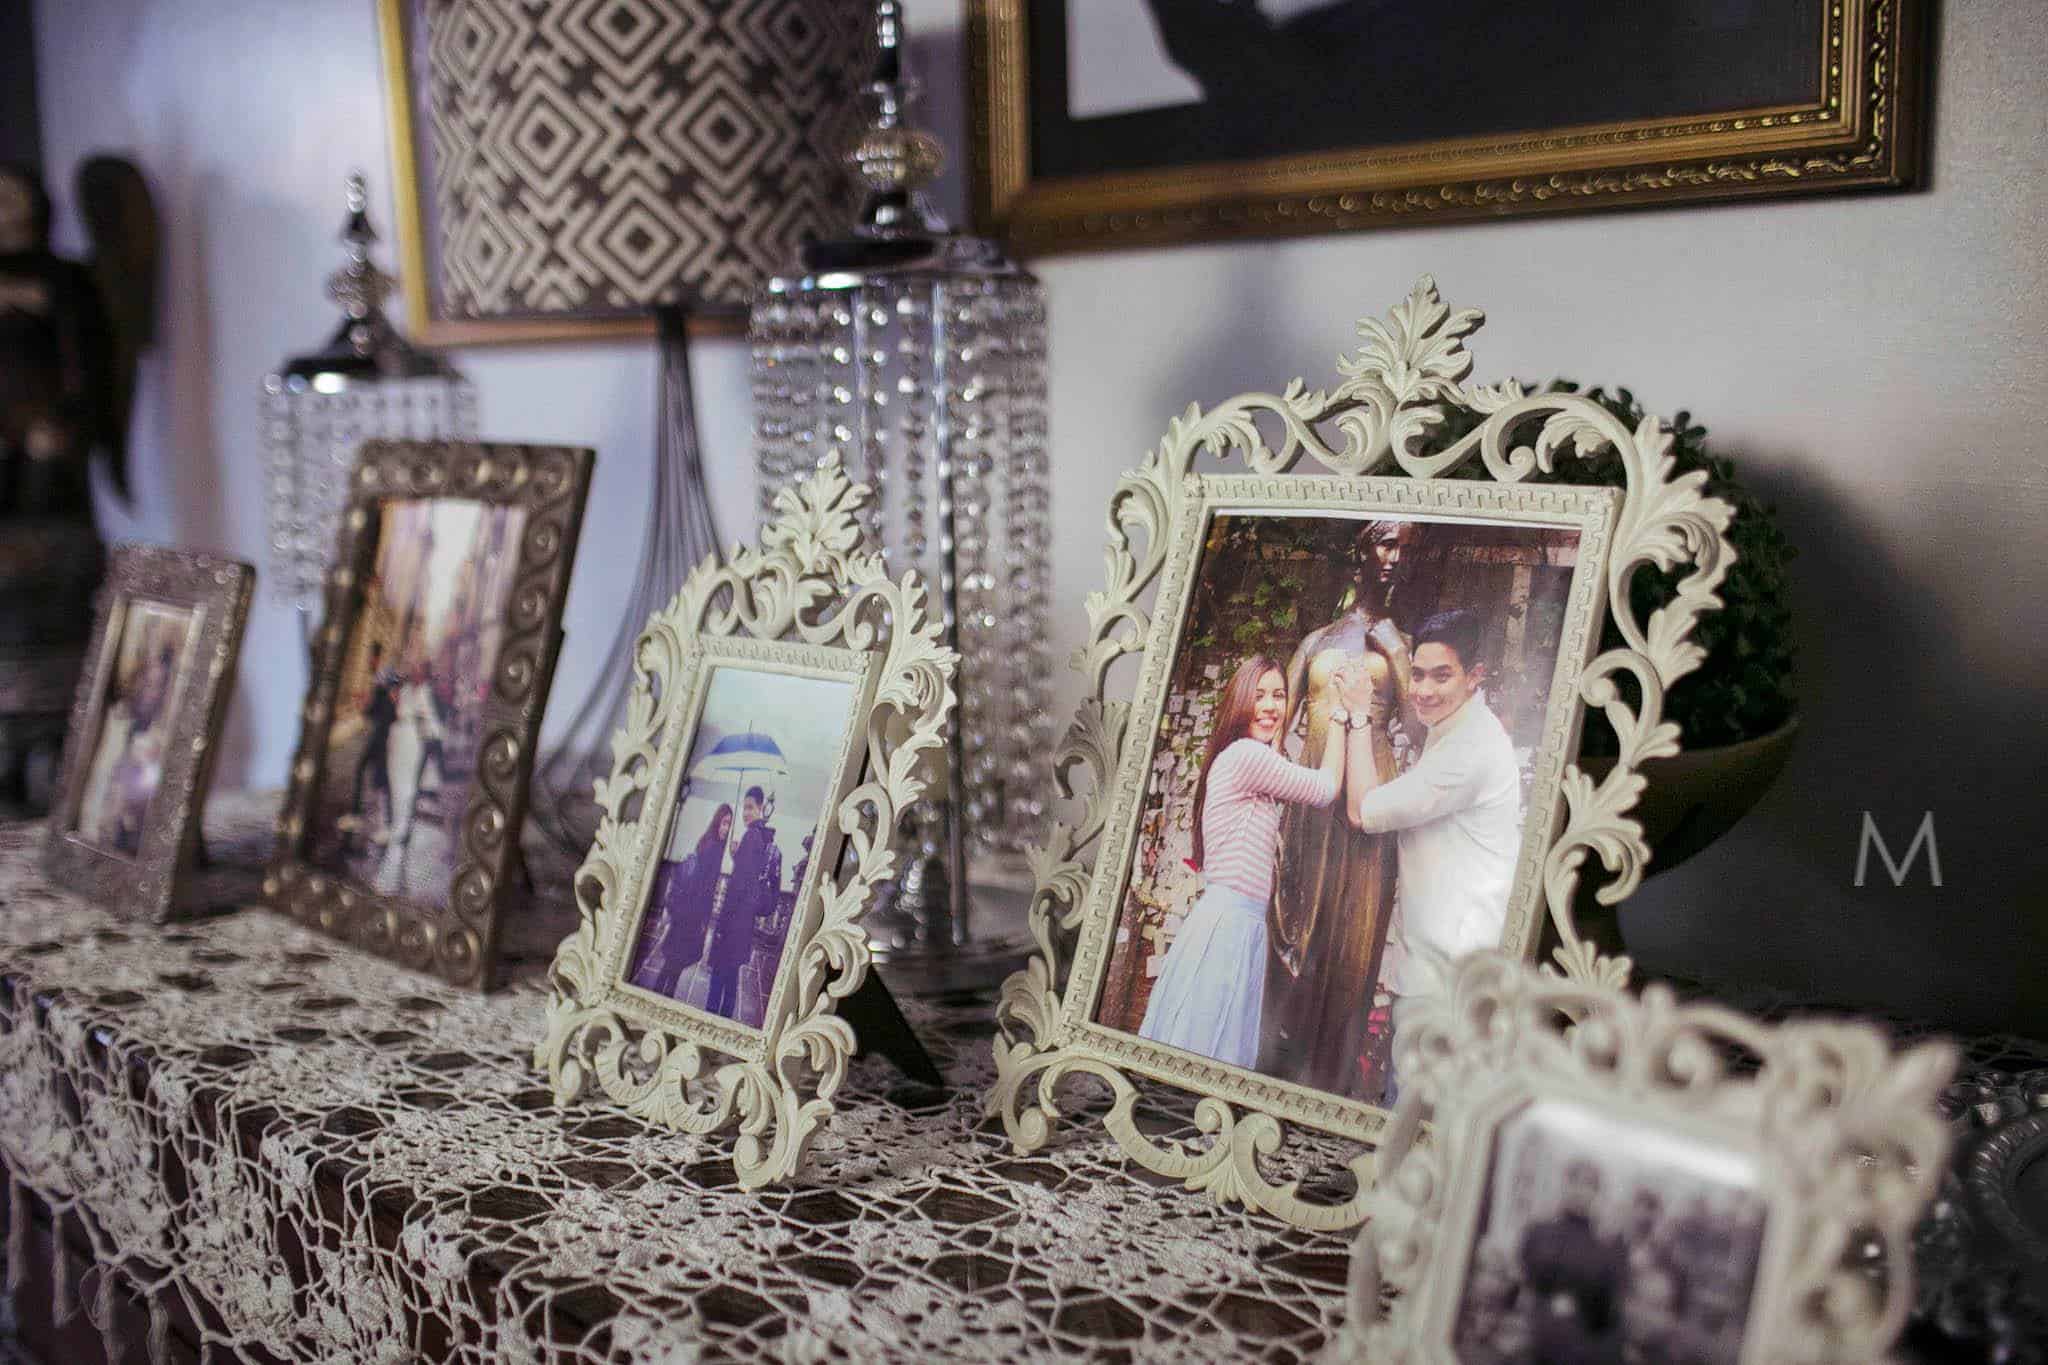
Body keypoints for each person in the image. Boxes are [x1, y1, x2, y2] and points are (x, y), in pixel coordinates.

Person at [1340, 607, 1521, 1101]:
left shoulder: (1468, 751)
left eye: (1442, 676)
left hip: (1447, 987)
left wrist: (1359, 715)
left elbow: (1362, 809)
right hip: (1439, 977)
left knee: (1413, 1123)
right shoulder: (1453, 733)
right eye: (1417, 674)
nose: (1423, 689)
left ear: (1474, 676)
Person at [1138, 654, 1352, 1070]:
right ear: (1240, 702)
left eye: (1279, 695)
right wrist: (1342, 716)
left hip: (1238, 921)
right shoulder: (1246, 757)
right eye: (1259, 695)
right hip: (1229, 924)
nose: (1270, 706)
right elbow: (1325, 789)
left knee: (1212, 1042)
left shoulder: (1246, 758)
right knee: (1207, 1046)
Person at [1263, 520, 1416, 1096]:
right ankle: (1277, 1067)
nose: (1395, 557)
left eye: (1405, 548)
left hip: (1370, 799)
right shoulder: (1316, 642)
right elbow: (1275, 729)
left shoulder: (1401, 643)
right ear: (1362, 548)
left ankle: (1333, 1081)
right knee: (1300, 928)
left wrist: (1396, 651)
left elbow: (1418, 730)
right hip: (1312, 799)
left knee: (1357, 937)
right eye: (1386, 543)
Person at [1520, 1160, 1629, 1365]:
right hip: (1540, 1326)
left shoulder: (1605, 1244)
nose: (1581, 1191)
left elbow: (1606, 1299)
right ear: (1565, 1185)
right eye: (1575, 1182)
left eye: (1589, 1185)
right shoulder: (1539, 1232)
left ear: (1597, 1194)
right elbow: (1533, 1276)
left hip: (1582, 1337)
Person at [628, 803, 732, 998]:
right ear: (718, 821)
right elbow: (701, 888)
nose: (726, 828)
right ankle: (659, 997)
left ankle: (661, 996)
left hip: (690, 915)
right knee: (673, 965)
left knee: (674, 964)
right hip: (690, 916)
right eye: (724, 823)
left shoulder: (713, 845)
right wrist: (701, 919)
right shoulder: (711, 847)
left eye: (729, 824)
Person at [706, 785, 781, 1021]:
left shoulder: (751, 837)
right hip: (744, 925)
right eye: (744, 808)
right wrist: (736, 857)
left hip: (732, 925)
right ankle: (724, 1023)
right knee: (730, 980)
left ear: (760, 808)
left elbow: (738, 887)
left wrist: (722, 927)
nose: (746, 813)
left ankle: (709, 1021)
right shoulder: (762, 837)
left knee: (718, 980)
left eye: (750, 807)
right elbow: (750, 879)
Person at [347, 641, 399, 840]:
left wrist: (364, 707)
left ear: (375, 657)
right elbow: (376, 710)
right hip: (380, 735)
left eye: (371, 657)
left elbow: (381, 710)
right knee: (373, 776)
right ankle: (360, 816)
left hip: (381, 736)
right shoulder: (381, 682)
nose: (369, 661)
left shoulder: (383, 680)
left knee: (379, 780)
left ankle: (384, 825)